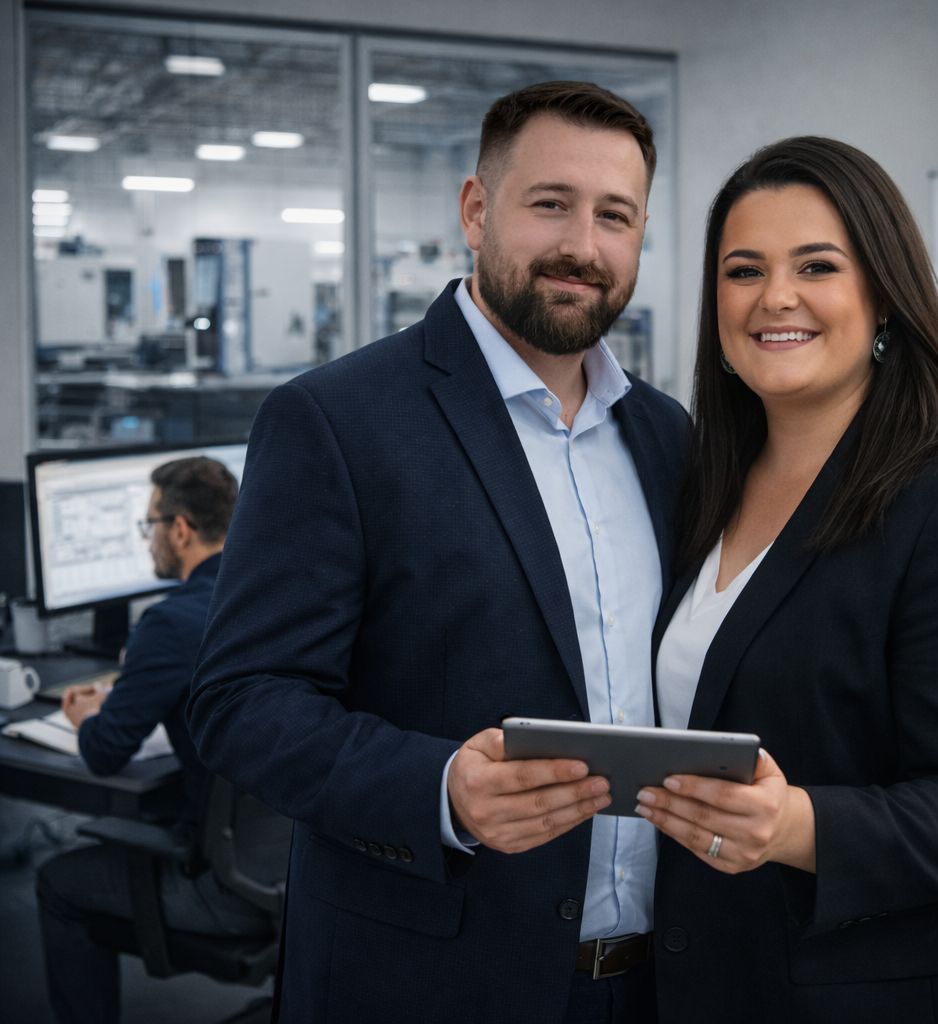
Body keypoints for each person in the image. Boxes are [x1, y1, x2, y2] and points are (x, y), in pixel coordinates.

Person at [188, 81, 689, 1023]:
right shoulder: (337, 421)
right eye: (551, 204)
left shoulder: (667, 438)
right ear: (475, 210)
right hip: (428, 984)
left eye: (614, 215)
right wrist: (441, 788)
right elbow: (241, 700)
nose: (584, 245)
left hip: (651, 985)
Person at [637, 136, 938, 1022]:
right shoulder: (696, 488)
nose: (776, 297)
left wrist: (797, 826)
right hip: (711, 983)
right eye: (744, 271)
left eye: (817, 265)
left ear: (883, 294)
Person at [37, 456, 274, 1024]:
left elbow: (104, 751)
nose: (148, 540)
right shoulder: (270, 594)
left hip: (228, 890)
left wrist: (86, 716)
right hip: (299, 873)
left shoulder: (170, 623)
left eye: (149, 525)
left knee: (56, 883)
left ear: (181, 529)